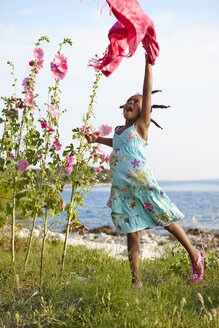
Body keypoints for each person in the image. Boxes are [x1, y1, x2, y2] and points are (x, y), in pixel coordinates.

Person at [85, 54, 204, 288]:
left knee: (166, 219)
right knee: (132, 232)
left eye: (137, 102)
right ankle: (135, 281)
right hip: (124, 189)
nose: (131, 103)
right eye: (128, 101)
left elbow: (146, 90)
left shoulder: (141, 127)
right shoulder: (120, 130)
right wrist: (96, 138)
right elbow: (117, 143)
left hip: (143, 185)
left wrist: (148, 63)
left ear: (144, 111)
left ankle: (195, 255)